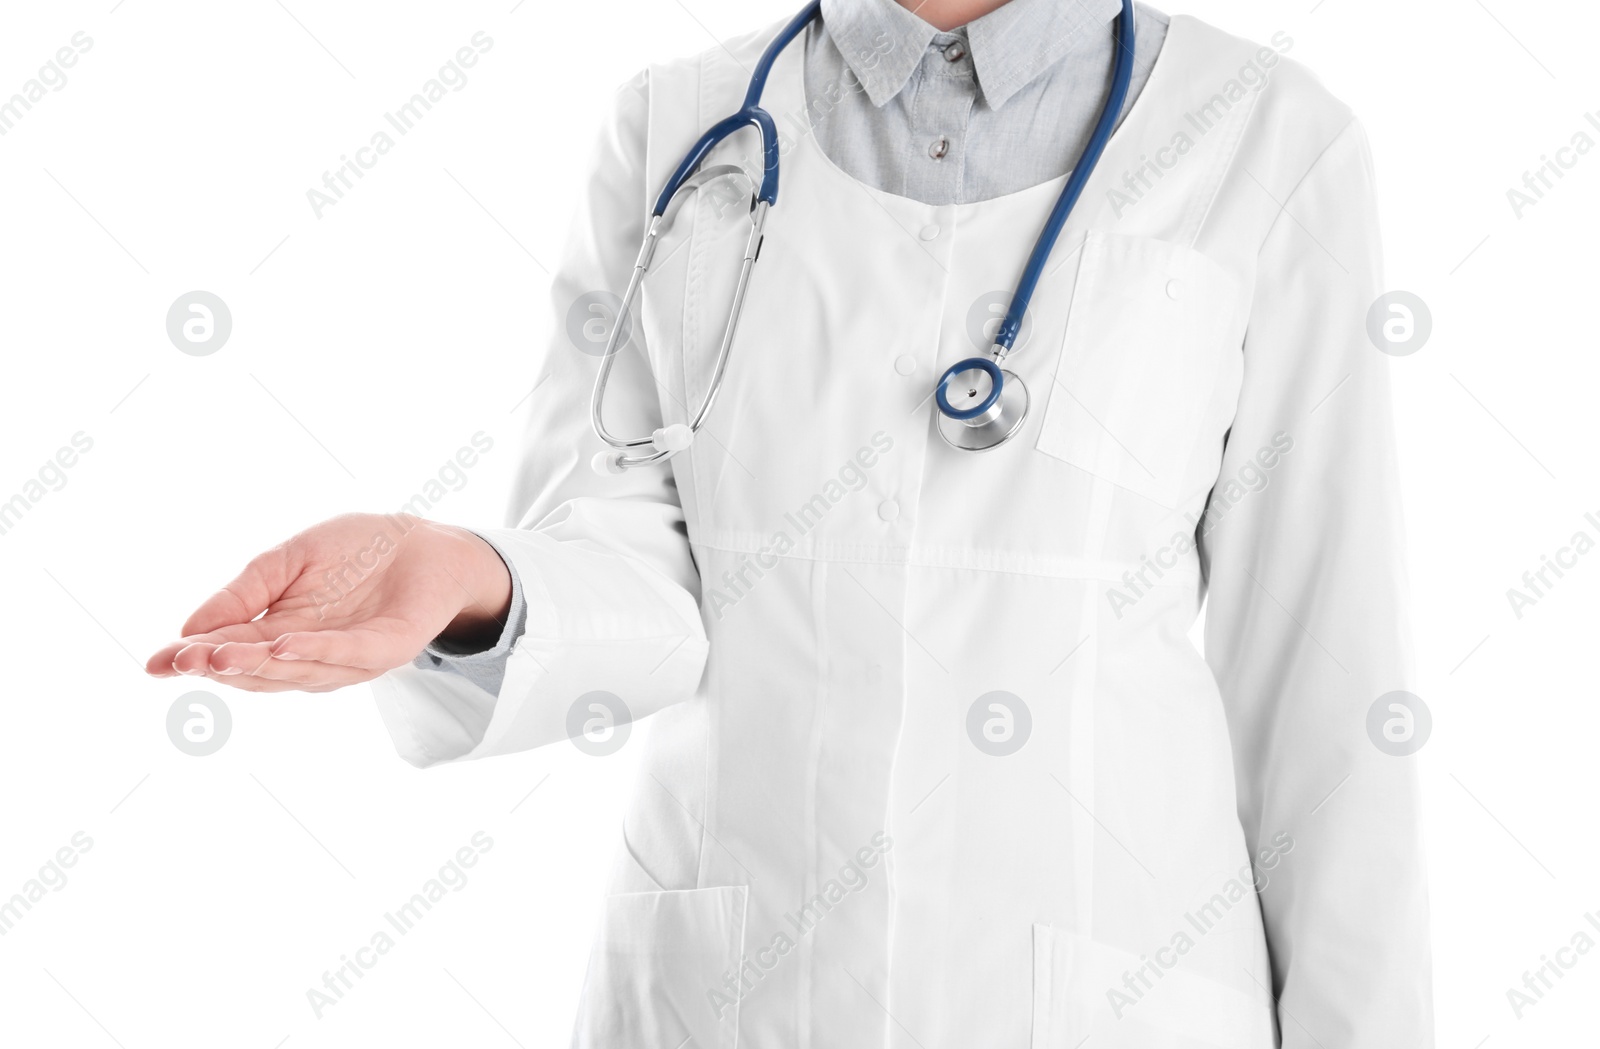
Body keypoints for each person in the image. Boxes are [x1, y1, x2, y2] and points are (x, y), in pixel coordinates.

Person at [146, 0, 1433, 1044]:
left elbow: (1322, 681)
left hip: (1114, 986)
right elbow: (631, 557)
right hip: (736, 989)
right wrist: (468, 577)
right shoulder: (678, 130)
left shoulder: (1268, 141)